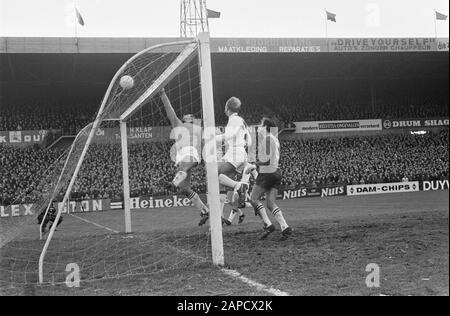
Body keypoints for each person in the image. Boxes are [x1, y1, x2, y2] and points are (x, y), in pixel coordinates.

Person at [160, 88, 212, 226]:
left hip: (191, 153)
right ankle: (205, 211)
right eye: (188, 116)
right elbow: (169, 110)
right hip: (183, 155)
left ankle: (173, 183)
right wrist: (163, 94)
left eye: (192, 116)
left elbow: (206, 145)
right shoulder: (180, 125)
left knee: (182, 169)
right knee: (185, 189)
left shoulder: (199, 129)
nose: (190, 116)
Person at [249, 117, 292, 240]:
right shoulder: (275, 139)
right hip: (276, 172)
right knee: (270, 203)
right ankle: (285, 227)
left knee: (253, 199)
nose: (259, 127)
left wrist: (254, 163)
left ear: (266, 127)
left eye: (261, 125)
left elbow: (266, 159)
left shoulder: (267, 139)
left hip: (267, 172)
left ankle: (268, 224)